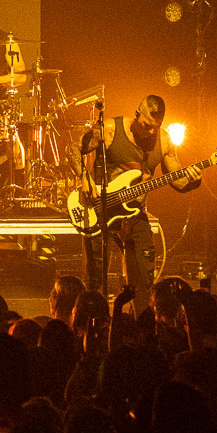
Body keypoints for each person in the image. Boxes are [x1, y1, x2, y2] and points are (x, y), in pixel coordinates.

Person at [75, 94, 200, 300]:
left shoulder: (165, 141)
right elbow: (72, 149)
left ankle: (142, 325)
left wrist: (194, 179)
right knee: (94, 281)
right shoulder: (110, 130)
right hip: (100, 211)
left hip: (134, 215)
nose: (150, 131)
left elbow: (177, 181)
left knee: (144, 282)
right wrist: (84, 176)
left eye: (155, 126)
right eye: (146, 125)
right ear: (136, 115)